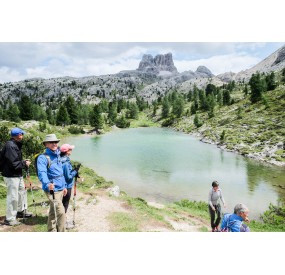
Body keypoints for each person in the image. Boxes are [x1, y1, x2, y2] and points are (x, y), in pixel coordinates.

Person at [1, 127, 32, 226]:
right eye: (22, 134)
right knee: (13, 196)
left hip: (17, 174)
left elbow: (15, 161)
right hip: (11, 176)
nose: (22, 136)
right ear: (18, 135)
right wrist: (24, 163)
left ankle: (20, 211)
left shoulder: (14, 145)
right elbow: (14, 163)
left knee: (22, 192)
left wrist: (23, 162)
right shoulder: (10, 146)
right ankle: (10, 219)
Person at [37, 134, 67, 232]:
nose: (54, 144)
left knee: (53, 212)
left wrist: (65, 186)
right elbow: (42, 173)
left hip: (61, 188)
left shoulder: (57, 154)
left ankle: (50, 230)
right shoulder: (43, 158)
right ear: (46, 144)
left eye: (56, 142)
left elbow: (60, 172)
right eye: (51, 142)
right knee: (61, 212)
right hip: (52, 189)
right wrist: (47, 184)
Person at [60, 143, 78, 230]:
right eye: (70, 149)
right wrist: (75, 172)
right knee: (65, 203)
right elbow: (68, 177)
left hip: (62, 185)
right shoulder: (66, 163)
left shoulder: (60, 159)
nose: (71, 150)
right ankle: (63, 222)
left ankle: (61, 220)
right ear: (67, 152)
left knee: (62, 203)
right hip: (67, 186)